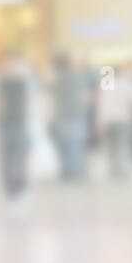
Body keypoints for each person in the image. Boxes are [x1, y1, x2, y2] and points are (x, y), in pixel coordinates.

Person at [0, 48, 31, 197]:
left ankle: (19, 184)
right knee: (8, 156)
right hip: (7, 125)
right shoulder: (3, 83)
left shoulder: (23, 82)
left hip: (19, 124)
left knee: (19, 155)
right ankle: (11, 185)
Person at [50, 52, 90, 181]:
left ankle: (67, 171)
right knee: (75, 144)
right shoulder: (78, 77)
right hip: (76, 114)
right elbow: (85, 97)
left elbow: (51, 99)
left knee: (64, 144)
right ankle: (75, 171)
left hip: (61, 115)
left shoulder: (55, 78)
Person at [95, 63, 132, 180]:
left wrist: (100, 123)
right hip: (123, 119)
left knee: (111, 147)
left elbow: (103, 105)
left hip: (110, 120)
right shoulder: (126, 85)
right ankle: (122, 170)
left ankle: (113, 170)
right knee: (122, 145)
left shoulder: (106, 85)